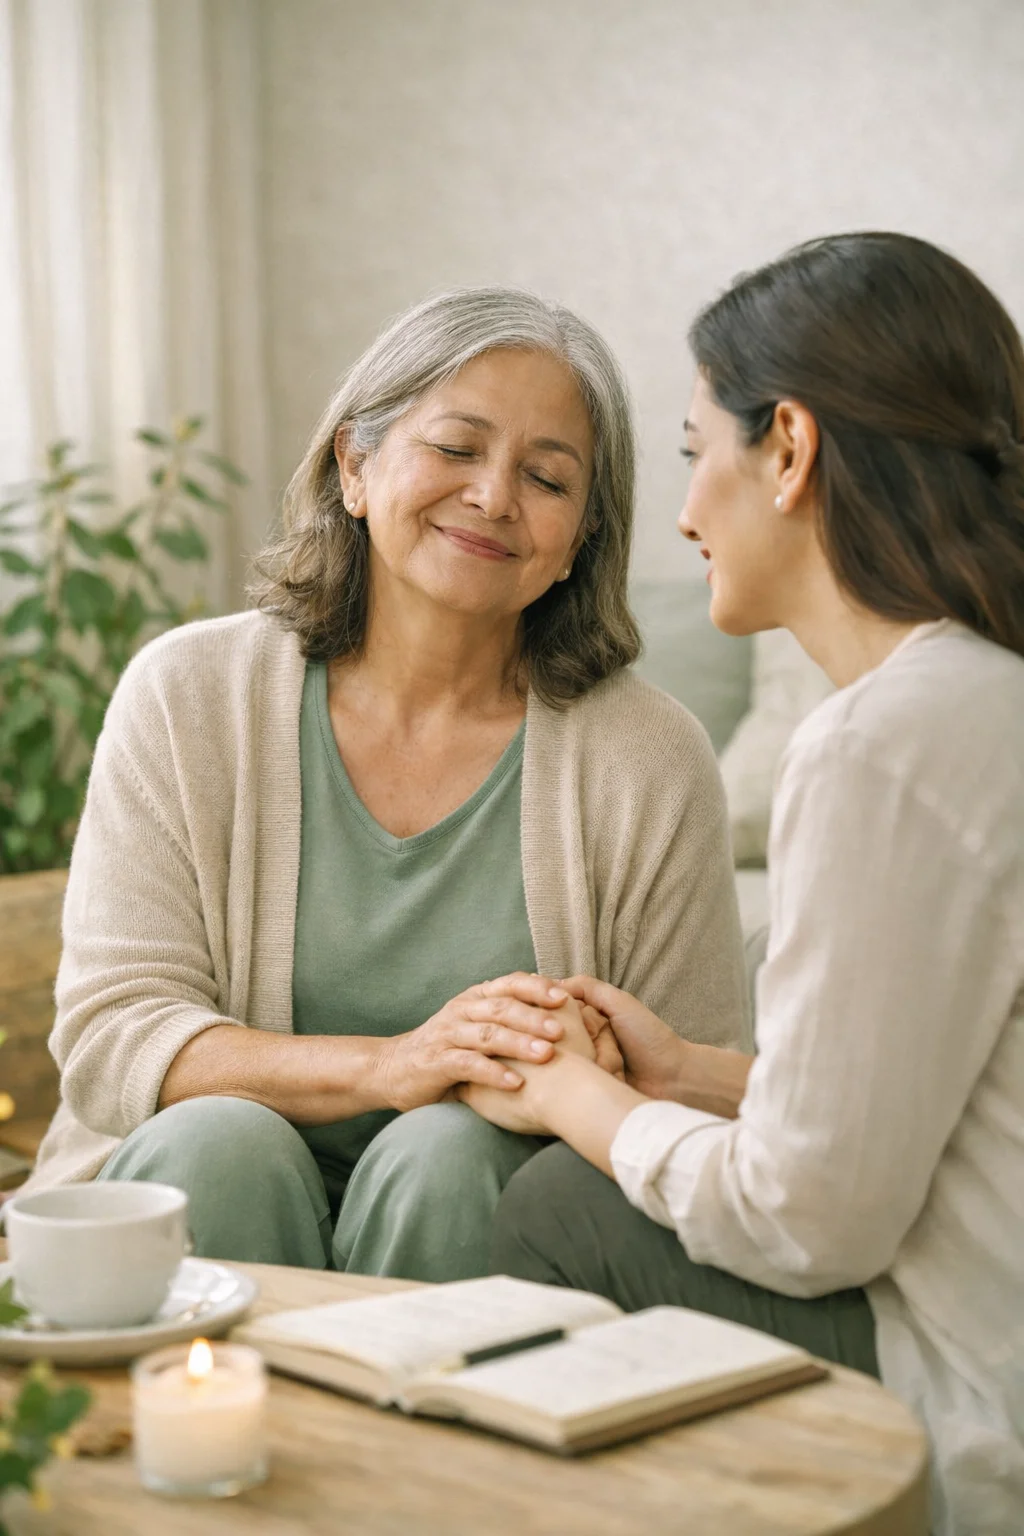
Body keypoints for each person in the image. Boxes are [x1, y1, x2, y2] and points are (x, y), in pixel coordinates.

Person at [464, 235, 1024, 1534]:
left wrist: (582, 1101)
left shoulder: (880, 744)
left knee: (554, 1201)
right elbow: (949, 1100)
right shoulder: (984, 701)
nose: (683, 512)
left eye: (693, 450)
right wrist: (695, 1076)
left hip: (977, 1403)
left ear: (792, 450)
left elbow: (810, 1220)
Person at [26, 286, 749, 1282]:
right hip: (204, 1195)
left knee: (448, 1156)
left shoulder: (649, 757)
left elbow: (682, 1092)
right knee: (219, 1143)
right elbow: (113, 1038)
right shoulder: (185, 694)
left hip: (492, 1226)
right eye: (455, 449)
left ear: (581, 537)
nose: (493, 496)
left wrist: (570, 1061)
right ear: (355, 465)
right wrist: (396, 1064)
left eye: (546, 477)